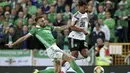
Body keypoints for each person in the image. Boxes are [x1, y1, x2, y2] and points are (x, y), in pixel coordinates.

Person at [6, 16, 84, 73]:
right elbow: (24, 38)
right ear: (37, 22)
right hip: (52, 48)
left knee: (58, 71)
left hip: (53, 49)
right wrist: (13, 44)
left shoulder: (48, 27)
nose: (44, 22)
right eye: (42, 21)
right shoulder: (35, 30)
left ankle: (38, 72)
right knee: (70, 59)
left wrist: (70, 25)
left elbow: (59, 28)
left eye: (44, 20)